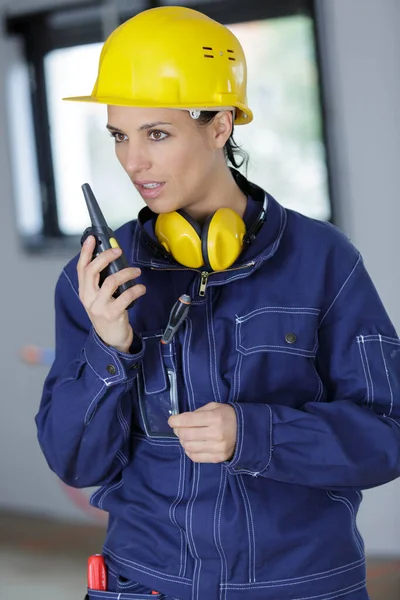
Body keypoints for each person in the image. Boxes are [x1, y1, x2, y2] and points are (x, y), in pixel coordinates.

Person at [35, 6, 400, 600]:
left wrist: (255, 433)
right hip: (148, 582)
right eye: (120, 136)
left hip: (302, 585)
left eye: (157, 134)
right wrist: (109, 347)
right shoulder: (103, 273)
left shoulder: (323, 261)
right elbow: (76, 462)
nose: (133, 162)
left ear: (220, 125)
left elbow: (388, 435)